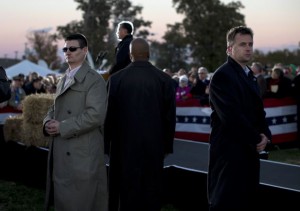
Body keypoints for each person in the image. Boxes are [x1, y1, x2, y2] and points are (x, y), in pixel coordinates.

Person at [104, 38, 176, 211]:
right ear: (149, 54)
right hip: (154, 146)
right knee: (151, 190)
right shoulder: (164, 80)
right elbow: (170, 118)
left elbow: (108, 117)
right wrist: (167, 146)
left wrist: (107, 146)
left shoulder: (116, 80)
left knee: (126, 190)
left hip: (123, 147)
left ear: (130, 55)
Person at [207, 26, 272, 211]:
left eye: (250, 44)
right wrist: (256, 138)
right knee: (226, 201)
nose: (248, 48)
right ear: (229, 49)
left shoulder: (249, 74)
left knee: (246, 200)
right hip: (230, 151)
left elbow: (258, 112)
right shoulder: (222, 76)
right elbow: (231, 116)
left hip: (249, 150)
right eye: (242, 44)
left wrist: (266, 134)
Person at [43, 33, 108, 211]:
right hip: (62, 151)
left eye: (73, 48)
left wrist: (62, 127)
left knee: (81, 203)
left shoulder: (94, 80)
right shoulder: (64, 78)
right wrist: (47, 121)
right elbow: (55, 107)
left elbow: (96, 115)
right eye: (65, 49)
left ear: (85, 51)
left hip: (81, 155)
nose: (68, 52)